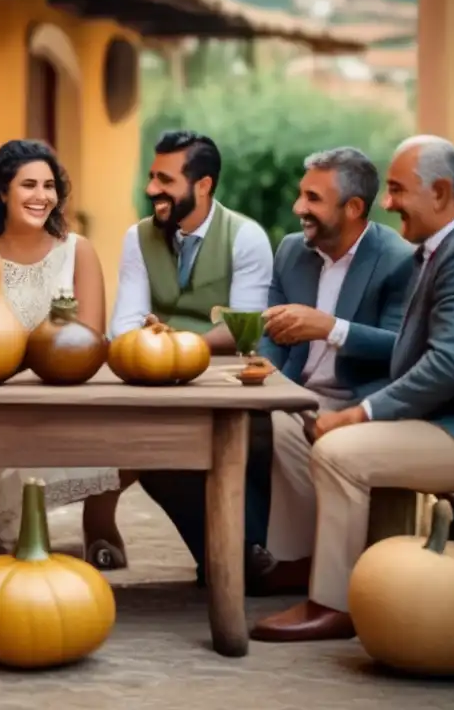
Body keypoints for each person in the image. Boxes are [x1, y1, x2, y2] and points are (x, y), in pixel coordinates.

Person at [251, 135, 454, 642]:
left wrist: (360, 413)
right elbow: (416, 357)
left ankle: (333, 603)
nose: (386, 204)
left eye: (395, 190)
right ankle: (336, 578)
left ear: (439, 193)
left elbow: (451, 365)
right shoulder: (440, 249)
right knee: (322, 439)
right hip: (450, 423)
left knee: (341, 452)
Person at [0, 139, 128, 568]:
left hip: (62, 389)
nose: (42, 196)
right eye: (28, 185)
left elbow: (90, 337)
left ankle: (98, 523)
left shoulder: (77, 249)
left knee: (119, 426)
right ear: (2, 192)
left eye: (49, 186)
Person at [108, 129, 276, 586]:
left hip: (225, 385)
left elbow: (243, 331)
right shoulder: (137, 238)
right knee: (157, 458)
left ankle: (240, 555)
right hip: (153, 386)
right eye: (151, 176)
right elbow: (123, 327)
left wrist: (169, 340)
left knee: (250, 442)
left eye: (165, 179)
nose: (151, 190)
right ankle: (233, 558)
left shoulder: (246, 238)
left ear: (203, 185)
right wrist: (162, 347)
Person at [253, 146, 415, 596]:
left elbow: (403, 349)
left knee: (281, 425)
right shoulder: (290, 251)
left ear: (354, 208)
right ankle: (255, 551)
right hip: (295, 388)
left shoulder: (400, 260)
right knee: (254, 418)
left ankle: (301, 560)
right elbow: (271, 329)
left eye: (312, 199)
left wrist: (332, 328)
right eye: (301, 195)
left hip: (361, 399)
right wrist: (267, 376)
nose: (298, 208)